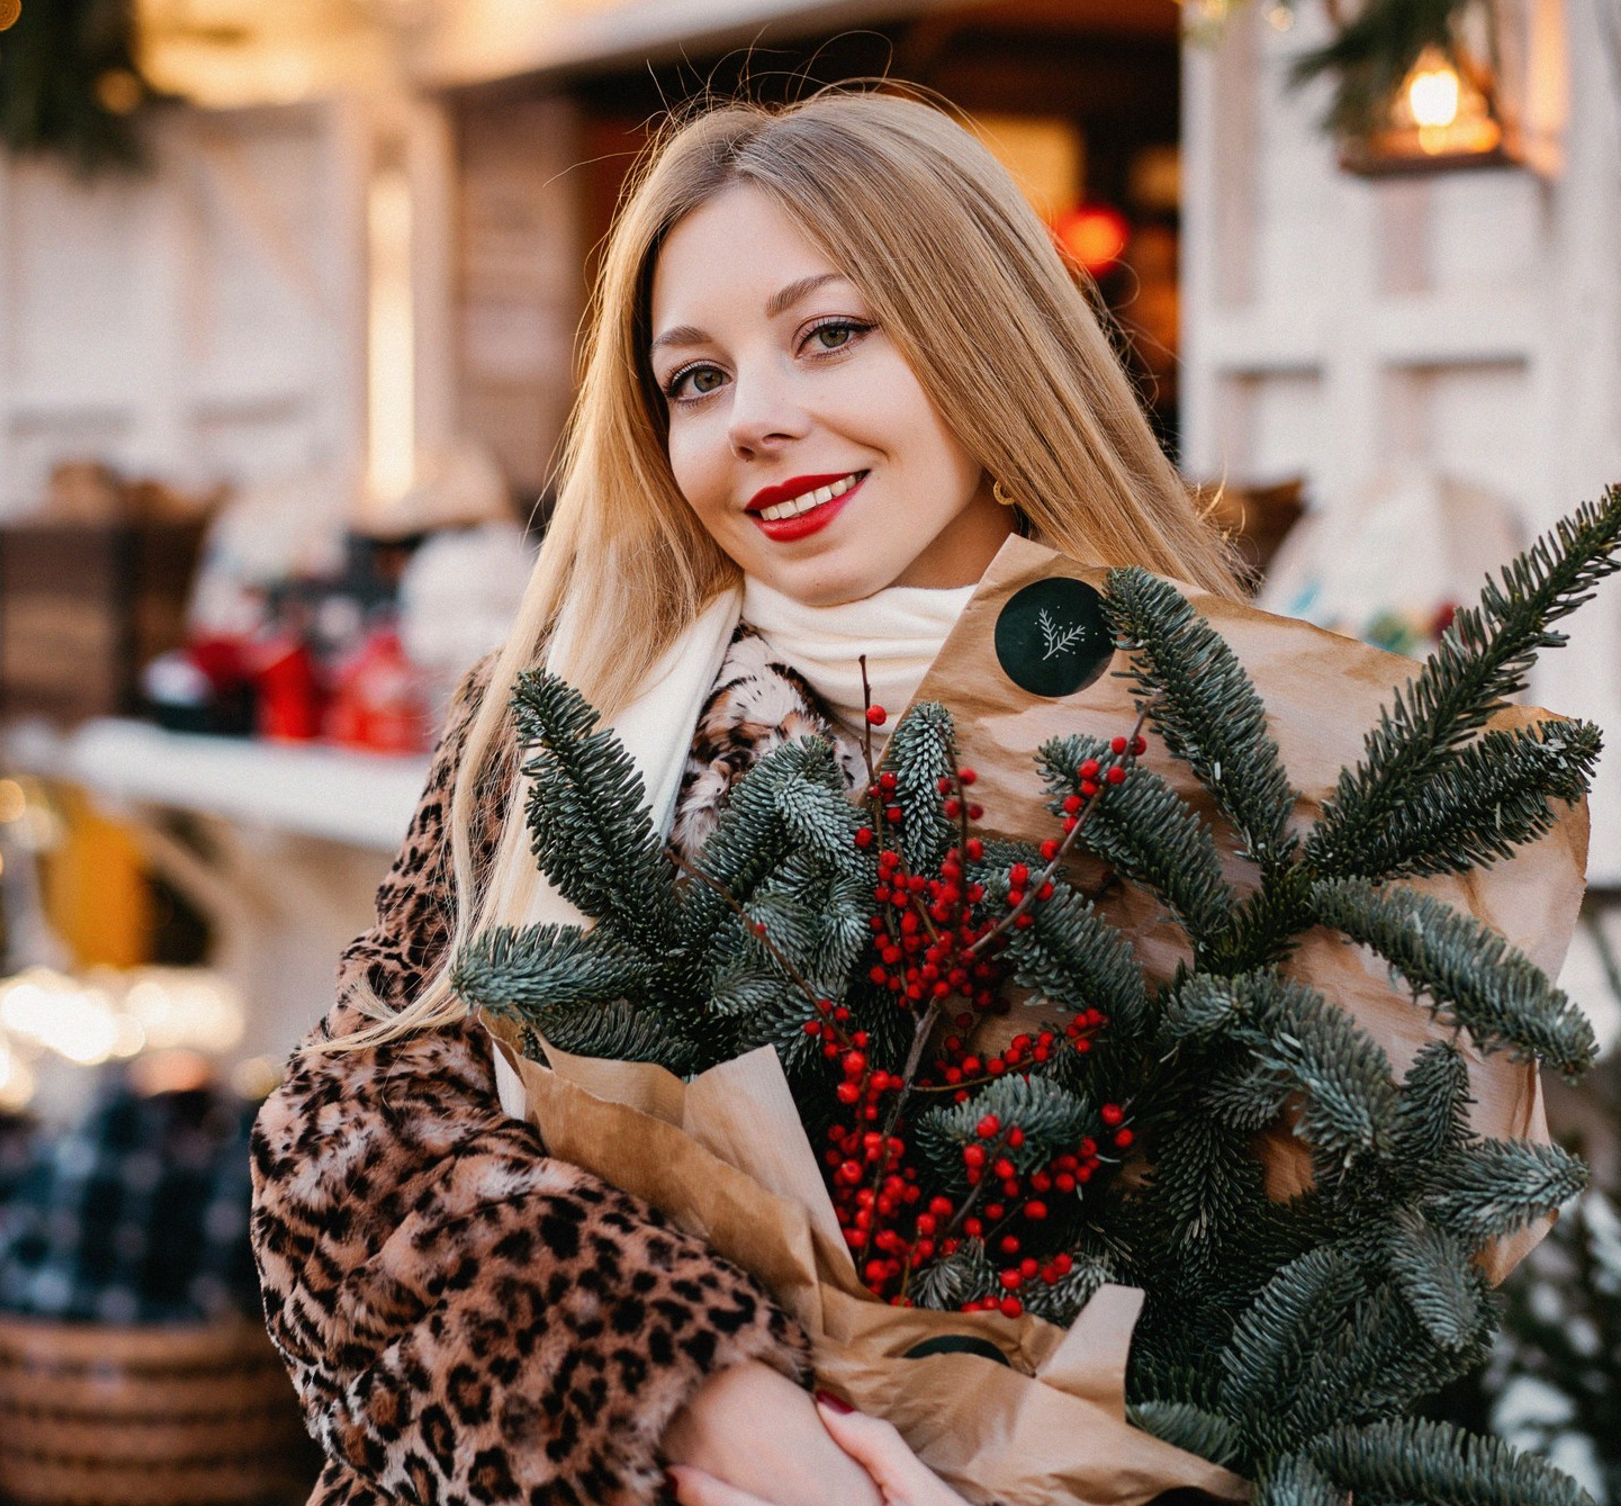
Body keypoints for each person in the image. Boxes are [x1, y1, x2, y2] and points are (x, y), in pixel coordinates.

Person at [250, 91, 1243, 1506]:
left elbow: (1314, 1311)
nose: (757, 421)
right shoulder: (567, 709)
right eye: (697, 379)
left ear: (985, 332)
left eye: (829, 334)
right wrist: (714, 1407)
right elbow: (343, 1162)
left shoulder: (1208, 753)